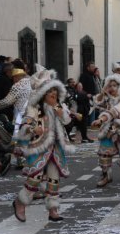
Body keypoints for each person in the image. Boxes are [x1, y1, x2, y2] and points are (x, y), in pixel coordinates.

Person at [13, 69, 74, 222]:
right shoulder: (34, 107)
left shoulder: (60, 106)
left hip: (55, 148)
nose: (53, 93)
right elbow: (26, 123)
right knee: (35, 178)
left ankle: (53, 209)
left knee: (53, 179)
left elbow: (67, 121)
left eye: (55, 90)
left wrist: (59, 110)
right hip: (38, 147)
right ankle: (20, 203)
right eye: (49, 91)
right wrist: (34, 128)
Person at [91, 74, 120, 187]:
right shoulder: (106, 98)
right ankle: (106, 176)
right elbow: (96, 102)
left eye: (115, 85)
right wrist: (103, 91)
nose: (112, 88)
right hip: (107, 128)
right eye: (110, 85)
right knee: (104, 153)